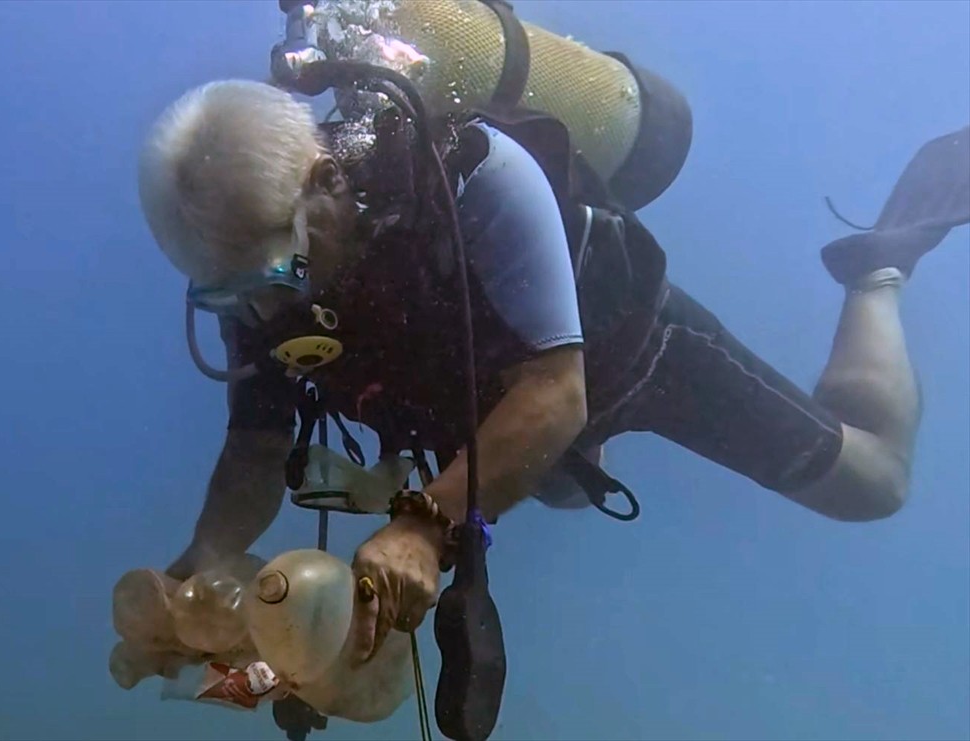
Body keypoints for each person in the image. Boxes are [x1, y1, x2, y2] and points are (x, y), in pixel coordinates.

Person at [136, 76, 969, 667]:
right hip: (494, 420)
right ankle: (552, 471)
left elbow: (556, 393)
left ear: (325, 182)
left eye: (273, 279)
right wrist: (193, 573)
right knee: (561, 481)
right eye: (226, 295)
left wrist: (424, 526)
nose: (258, 313)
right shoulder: (255, 281)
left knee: (875, 482)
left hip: (622, 360)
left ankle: (879, 272)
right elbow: (252, 452)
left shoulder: (472, 172)